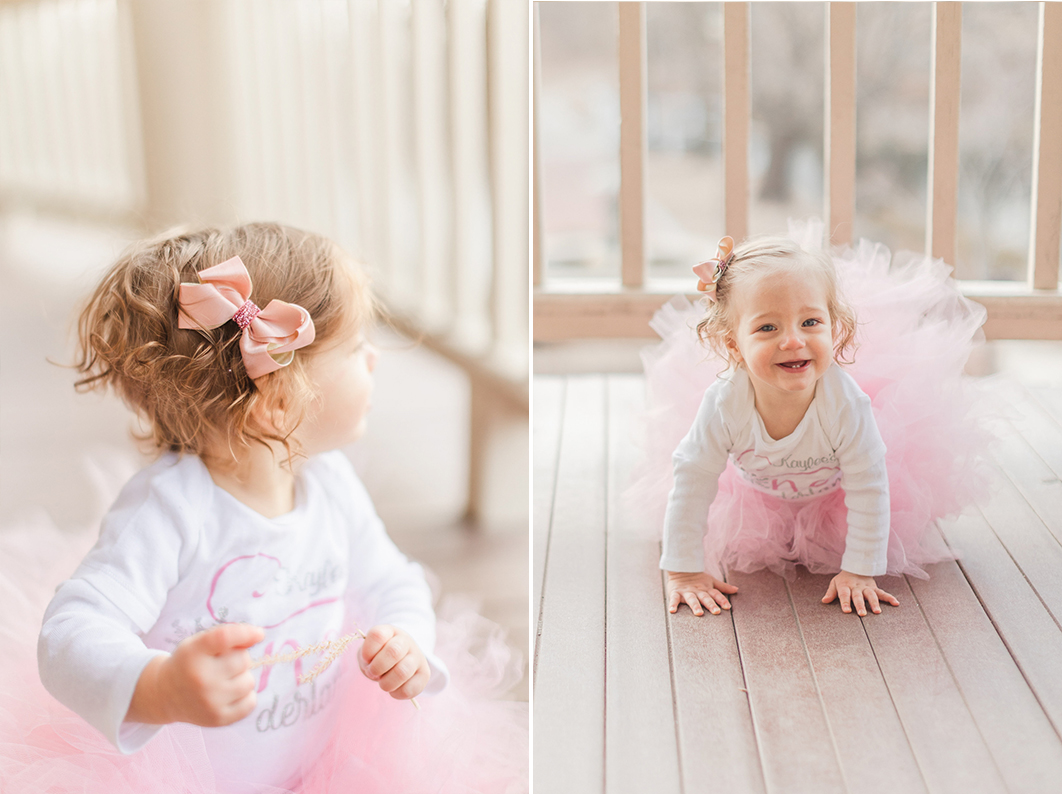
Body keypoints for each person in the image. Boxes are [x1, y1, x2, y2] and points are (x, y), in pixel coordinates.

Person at [5, 223, 526, 793]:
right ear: (278, 404)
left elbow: (392, 580)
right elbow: (69, 633)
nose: (373, 358)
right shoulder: (171, 511)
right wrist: (158, 687)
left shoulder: (330, 484)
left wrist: (406, 638)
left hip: (322, 760)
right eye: (354, 349)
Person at [641, 221, 992, 621]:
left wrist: (860, 570)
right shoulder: (725, 403)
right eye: (767, 327)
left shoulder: (844, 404)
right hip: (756, 492)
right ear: (734, 344)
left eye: (810, 322)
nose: (793, 340)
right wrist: (684, 571)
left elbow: (867, 483)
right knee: (695, 480)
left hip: (832, 494)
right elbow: (693, 479)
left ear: (833, 325)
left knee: (867, 502)